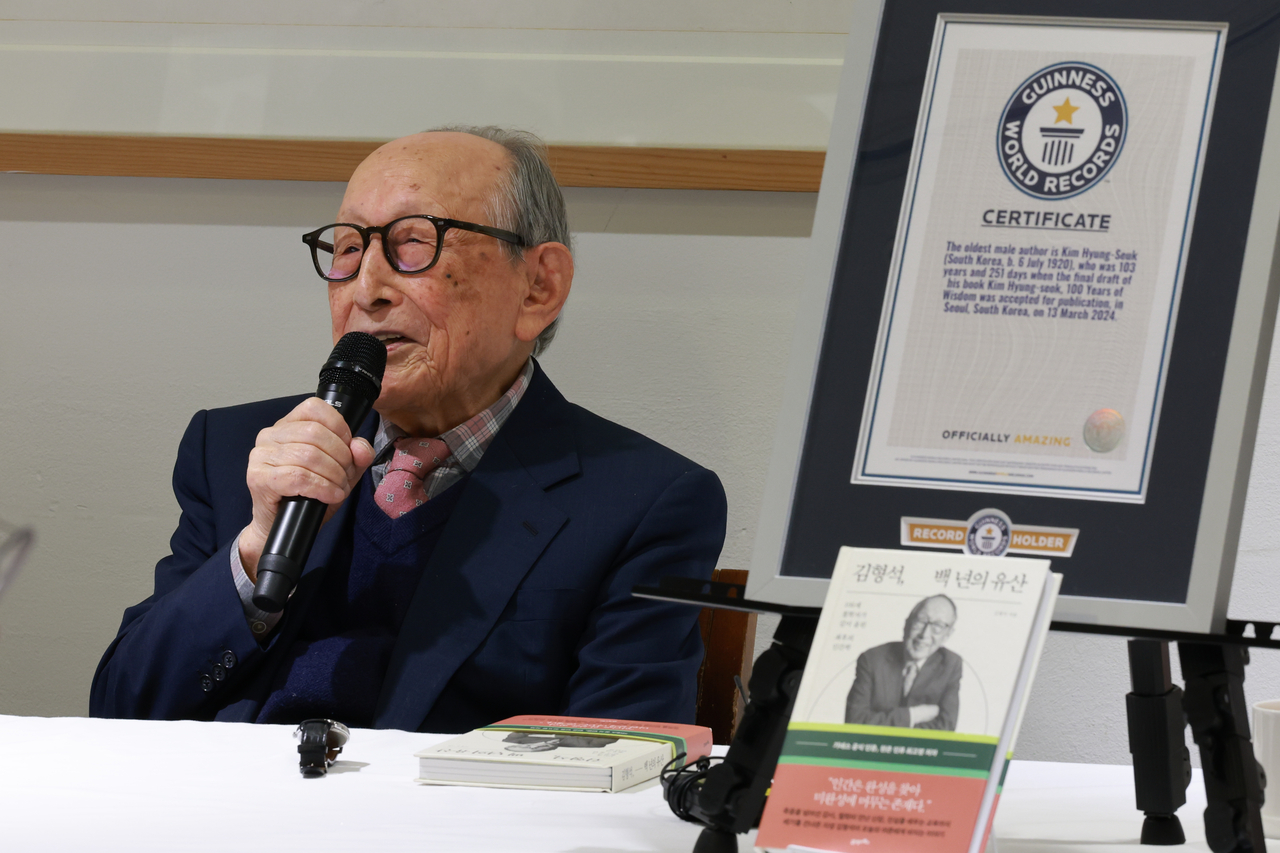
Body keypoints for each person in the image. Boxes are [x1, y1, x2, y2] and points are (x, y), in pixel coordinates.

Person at [90, 127, 727, 733]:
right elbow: (121, 710)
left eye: (414, 242)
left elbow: (617, 766)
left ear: (538, 286)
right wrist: (256, 548)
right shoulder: (237, 450)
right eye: (346, 248)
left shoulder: (643, 503)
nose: (367, 288)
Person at [844, 595, 961, 730]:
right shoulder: (872, 659)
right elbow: (854, 722)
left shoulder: (951, 664)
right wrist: (913, 715)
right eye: (921, 621)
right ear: (907, 624)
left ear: (947, 635)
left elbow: (945, 729)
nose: (924, 635)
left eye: (938, 627)